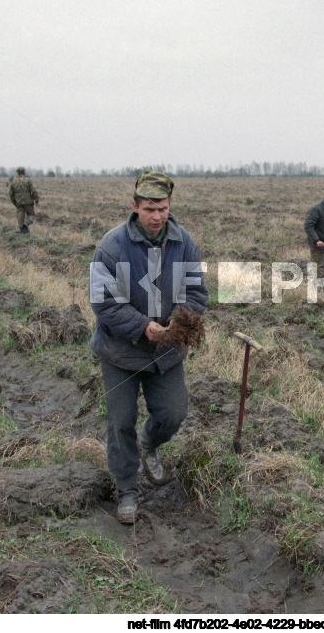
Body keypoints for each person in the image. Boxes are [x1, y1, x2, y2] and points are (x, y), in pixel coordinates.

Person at [88, 170, 207, 524]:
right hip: (120, 352)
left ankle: (150, 443)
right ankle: (127, 490)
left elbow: (197, 293)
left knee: (173, 414)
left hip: (166, 353)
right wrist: (143, 327)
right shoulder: (111, 246)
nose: (157, 216)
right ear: (135, 206)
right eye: (150, 208)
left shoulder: (183, 243)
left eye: (163, 208)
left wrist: (179, 322)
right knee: (120, 421)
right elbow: (103, 303)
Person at [9, 167, 39, 233]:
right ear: (24, 172)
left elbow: (11, 194)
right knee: (32, 216)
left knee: (20, 218)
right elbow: (33, 191)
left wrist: (14, 202)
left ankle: (23, 231)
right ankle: (26, 224)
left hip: (19, 203)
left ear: (17, 173)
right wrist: (37, 199)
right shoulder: (28, 180)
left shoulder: (13, 182)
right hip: (28, 202)